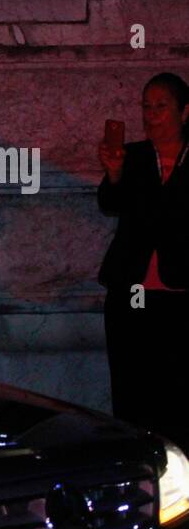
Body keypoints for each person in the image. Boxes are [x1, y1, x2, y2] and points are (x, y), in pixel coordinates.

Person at [96, 71, 189, 449]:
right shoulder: (132, 156)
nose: (151, 115)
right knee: (132, 392)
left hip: (180, 293)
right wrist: (115, 174)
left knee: (178, 394)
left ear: (184, 112)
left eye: (161, 107)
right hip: (130, 292)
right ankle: (138, 464)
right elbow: (108, 205)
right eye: (146, 107)